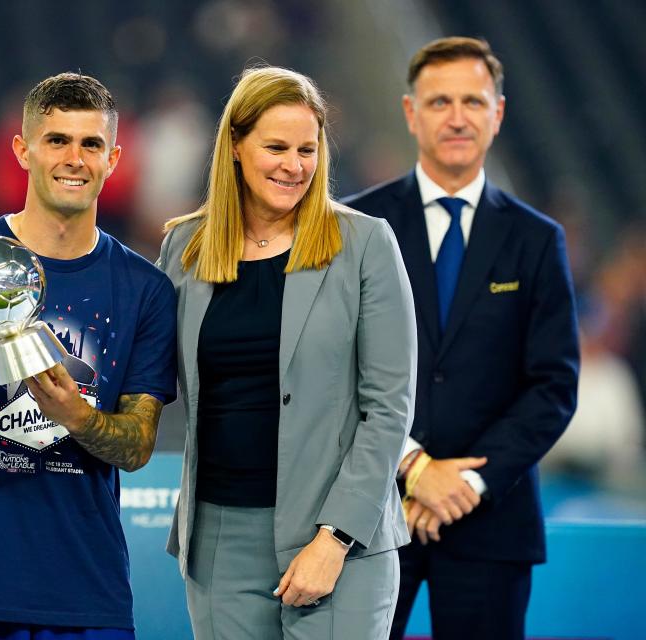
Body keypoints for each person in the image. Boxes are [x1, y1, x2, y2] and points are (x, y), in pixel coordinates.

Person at [0, 73, 178, 639]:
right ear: (22, 150)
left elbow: (138, 445)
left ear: (114, 158)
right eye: (56, 140)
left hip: (84, 591)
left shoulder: (146, 290)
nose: (74, 158)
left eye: (90, 144)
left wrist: (75, 415)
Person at [158, 66, 417, 639]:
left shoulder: (366, 243)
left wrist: (335, 537)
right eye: (276, 147)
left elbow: (389, 408)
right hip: (219, 544)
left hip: (336, 543)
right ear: (234, 146)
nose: (294, 165)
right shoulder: (184, 245)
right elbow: (150, 374)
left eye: (308, 148)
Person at [343, 37, 579, 640]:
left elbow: (552, 386)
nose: (456, 117)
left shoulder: (536, 240)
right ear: (409, 112)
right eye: (439, 100)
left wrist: (466, 483)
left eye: (472, 101)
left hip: (491, 521)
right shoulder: (355, 227)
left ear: (497, 114)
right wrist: (414, 465)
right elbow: (331, 366)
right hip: (365, 516)